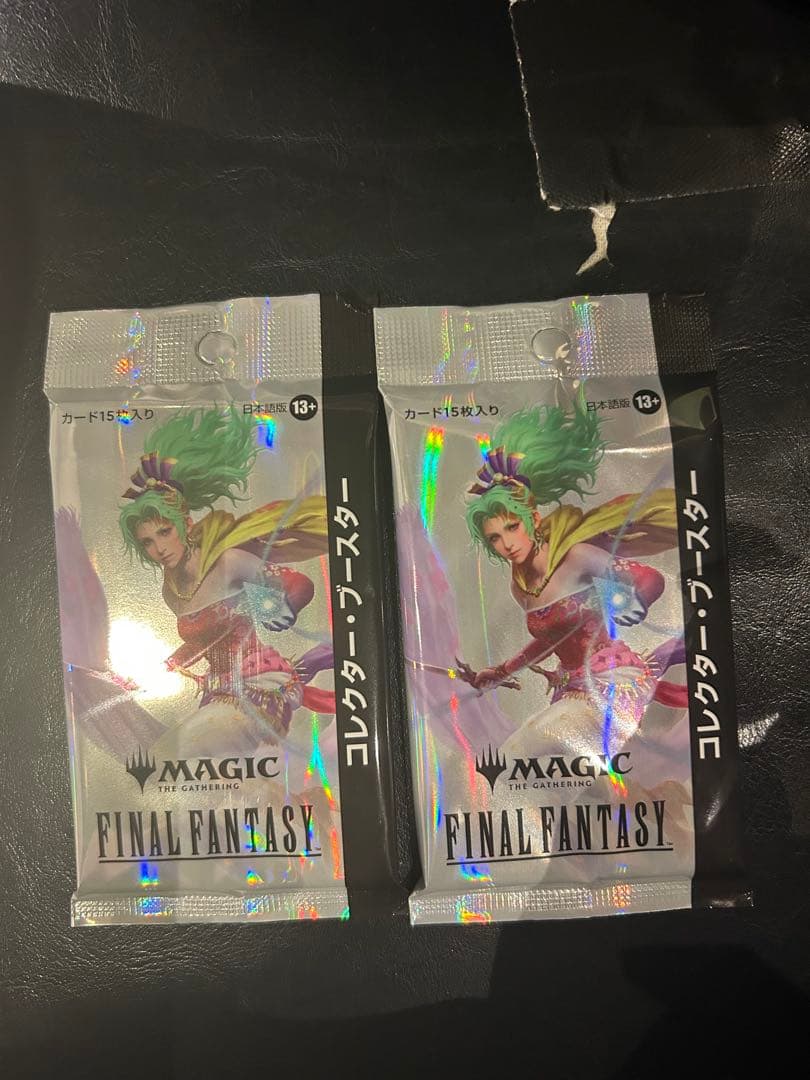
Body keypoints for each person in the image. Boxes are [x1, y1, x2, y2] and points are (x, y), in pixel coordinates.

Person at [458, 388, 687, 753]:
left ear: (533, 519)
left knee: (520, 751)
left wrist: (623, 601)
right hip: (572, 688)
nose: (507, 544)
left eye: (512, 527)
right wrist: (500, 672)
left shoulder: (576, 557)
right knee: (562, 771)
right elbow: (549, 641)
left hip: (611, 680)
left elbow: (650, 579)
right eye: (495, 538)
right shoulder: (521, 587)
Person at [119, 406, 335, 750]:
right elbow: (200, 642)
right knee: (174, 757)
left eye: (164, 532)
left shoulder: (228, 563)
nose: (159, 548)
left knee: (185, 746)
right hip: (219, 693)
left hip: (261, 687)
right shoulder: (171, 592)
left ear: (185, 525)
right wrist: (159, 669)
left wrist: (285, 607)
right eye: (147, 542)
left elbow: (298, 584)